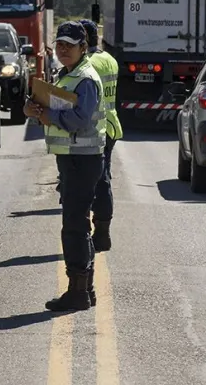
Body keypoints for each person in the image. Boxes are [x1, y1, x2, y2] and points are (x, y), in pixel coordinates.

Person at [25, 21, 107, 312]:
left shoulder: (84, 78)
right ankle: (85, 290)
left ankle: (78, 292)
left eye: (69, 46)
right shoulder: (67, 74)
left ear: (83, 48)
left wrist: (48, 116)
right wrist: (34, 108)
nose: (63, 50)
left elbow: (79, 119)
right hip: (73, 158)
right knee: (76, 224)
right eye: (60, 44)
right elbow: (62, 108)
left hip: (82, 160)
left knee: (74, 226)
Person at [80, 19, 122, 252]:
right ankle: (102, 232)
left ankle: (97, 233)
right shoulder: (109, 59)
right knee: (103, 178)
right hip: (111, 124)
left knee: (96, 181)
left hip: (94, 128)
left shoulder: (88, 64)